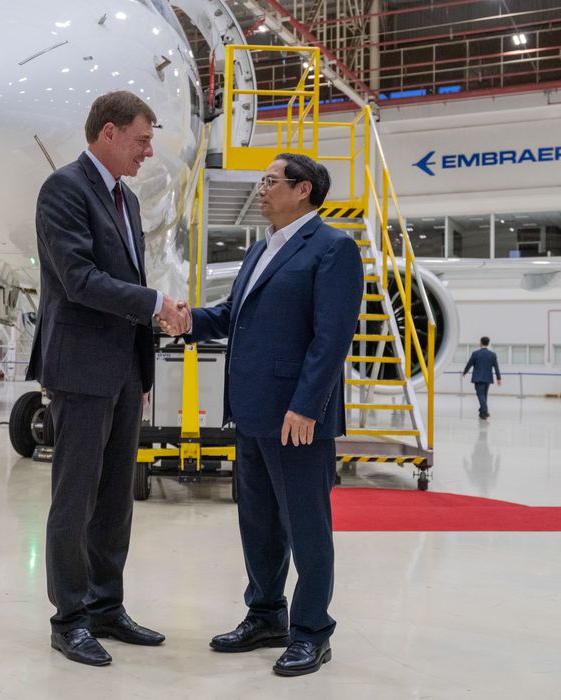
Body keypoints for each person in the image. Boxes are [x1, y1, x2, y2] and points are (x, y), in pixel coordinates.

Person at [164, 153, 362, 677]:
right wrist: (187, 321)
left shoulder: (333, 248)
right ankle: (266, 614)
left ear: (303, 190)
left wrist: (307, 406)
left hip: (296, 416)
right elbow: (234, 316)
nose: (261, 189)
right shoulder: (260, 250)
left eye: (270, 181)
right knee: (259, 523)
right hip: (251, 412)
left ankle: (312, 631)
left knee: (306, 527)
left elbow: (331, 339)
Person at [26, 90, 188, 667]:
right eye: (143, 139)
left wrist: (147, 341)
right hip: (80, 366)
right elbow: (79, 279)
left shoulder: (127, 200)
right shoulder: (65, 189)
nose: (148, 151)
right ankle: (69, 617)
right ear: (110, 133)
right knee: (75, 498)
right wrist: (153, 303)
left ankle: (105, 605)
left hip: (123, 369)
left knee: (116, 497)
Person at [462, 337, 501, 419]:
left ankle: (485, 411)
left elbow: (469, 364)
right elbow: (496, 367)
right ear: (488, 343)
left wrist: (465, 372)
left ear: (481, 343)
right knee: (484, 395)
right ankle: (482, 413)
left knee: (480, 395)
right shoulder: (492, 355)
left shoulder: (476, 353)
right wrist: (498, 378)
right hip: (488, 378)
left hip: (478, 378)